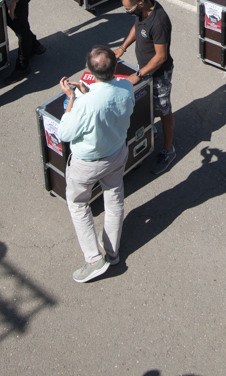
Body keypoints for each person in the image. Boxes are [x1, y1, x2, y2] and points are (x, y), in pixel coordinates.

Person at [57, 45, 136, 283]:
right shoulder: (126, 87)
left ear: (90, 70)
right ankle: (112, 253)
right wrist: (85, 91)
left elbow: (64, 132)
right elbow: (107, 101)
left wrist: (72, 98)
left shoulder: (84, 104)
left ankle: (93, 260)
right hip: (117, 153)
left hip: (87, 163)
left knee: (78, 204)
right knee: (114, 200)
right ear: (115, 67)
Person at [115, 0, 177, 173]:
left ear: (140, 3)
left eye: (129, 9)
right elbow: (137, 27)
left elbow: (160, 57)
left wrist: (139, 75)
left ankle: (168, 150)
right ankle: (151, 132)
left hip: (158, 74)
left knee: (164, 110)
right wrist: (123, 47)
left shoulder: (158, 22)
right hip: (145, 70)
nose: (128, 12)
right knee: (147, 105)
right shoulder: (142, 12)